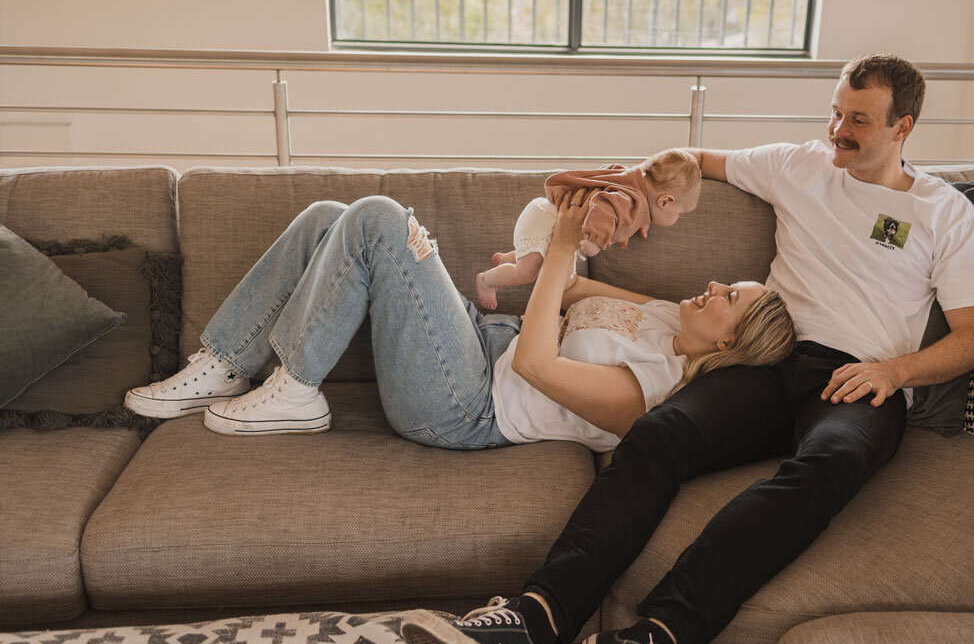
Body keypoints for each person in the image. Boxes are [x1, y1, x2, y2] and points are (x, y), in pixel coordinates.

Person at [398, 53, 974, 644]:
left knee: (830, 462)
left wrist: (895, 371)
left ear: (902, 127)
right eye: (835, 112)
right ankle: (537, 620)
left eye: (858, 120)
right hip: (770, 356)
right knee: (663, 433)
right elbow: (687, 158)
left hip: (861, 376)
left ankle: (648, 642)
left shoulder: (945, 213)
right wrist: (621, 196)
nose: (837, 129)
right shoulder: (796, 165)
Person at [123, 189, 794, 451]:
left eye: (728, 296)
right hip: (476, 336)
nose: (711, 287)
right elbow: (573, 286)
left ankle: (298, 387)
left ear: (731, 341)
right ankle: (224, 362)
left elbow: (535, 366)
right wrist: (522, 266)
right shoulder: (666, 317)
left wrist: (561, 245)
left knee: (381, 219)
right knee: (330, 216)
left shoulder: (650, 393)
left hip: (464, 404)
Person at [475, 149, 702, 310]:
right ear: (664, 202)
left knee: (546, 267)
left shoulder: (628, 181)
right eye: (679, 213)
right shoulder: (631, 201)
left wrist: (626, 227)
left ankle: (511, 257)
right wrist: (595, 240)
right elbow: (603, 206)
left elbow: (605, 182)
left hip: (544, 217)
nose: (677, 218)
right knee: (527, 274)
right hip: (547, 221)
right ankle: (487, 280)